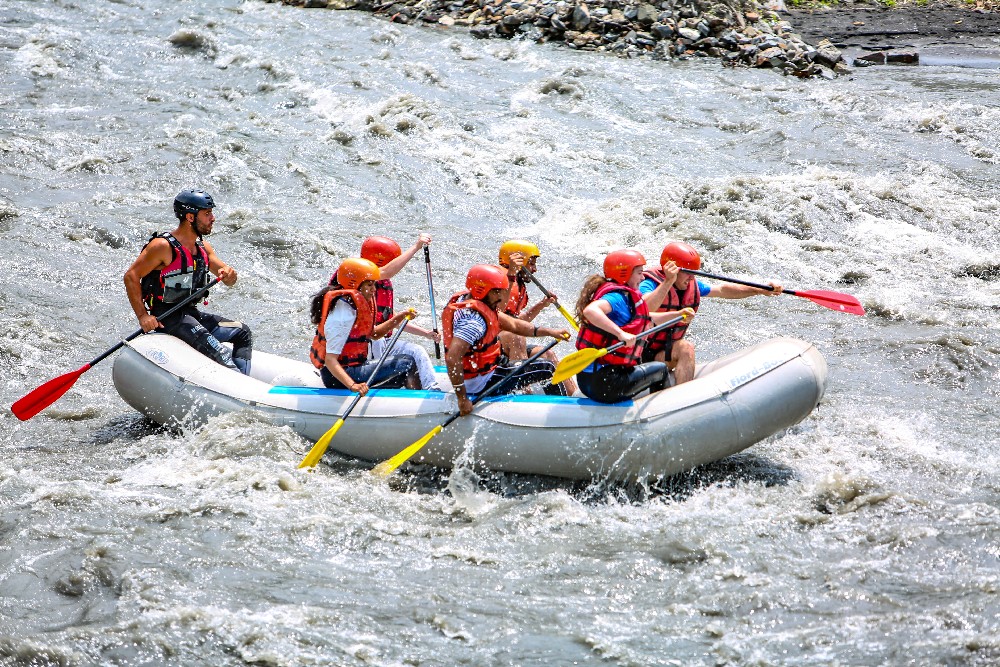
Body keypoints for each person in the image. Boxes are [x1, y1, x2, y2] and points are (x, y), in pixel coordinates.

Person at [124, 189, 253, 374]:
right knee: (220, 353)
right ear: (190, 217)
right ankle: (241, 388)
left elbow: (227, 278)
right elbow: (131, 276)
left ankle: (244, 383)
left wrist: (230, 275)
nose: (213, 218)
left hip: (190, 314)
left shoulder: (203, 248)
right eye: (207, 214)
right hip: (167, 318)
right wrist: (143, 316)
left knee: (243, 332)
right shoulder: (162, 246)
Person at [638, 241, 782, 385]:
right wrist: (668, 282)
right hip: (639, 355)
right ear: (672, 269)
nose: (691, 278)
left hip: (662, 353)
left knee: (685, 348)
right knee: (685, 348)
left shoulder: (689, 285)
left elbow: (721, 290)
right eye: (688, 273)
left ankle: (682, 394)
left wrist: (758, 290)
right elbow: (643, 308)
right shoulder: (648, 284)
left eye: (693, 273)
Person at [443, 264, 570, 416]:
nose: (502, 297)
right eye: (497, 291)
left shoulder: (475, 301)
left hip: (485, 372)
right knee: (547, 368)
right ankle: (563, 413)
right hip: (481, 383)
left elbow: (514, 324)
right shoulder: (473, 322)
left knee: (538, 359)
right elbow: (452, 358)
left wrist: (550, 332)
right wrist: (462, 398)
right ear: (481, 290)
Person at [573, 250, 694, 404]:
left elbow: (648, 319)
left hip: (592, 380)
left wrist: (678, 315)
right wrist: (620, 334)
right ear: (624, 274)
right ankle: (664, 411)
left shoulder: (626, 298)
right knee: (660, 370)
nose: (643, 277)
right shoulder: (616, 297)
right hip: (605, 382)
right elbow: (591, 311)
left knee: (647, 369)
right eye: (639, 273)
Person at [310, 258, 421, 395]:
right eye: (369, 285)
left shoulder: (352, 305)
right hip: (338, 377)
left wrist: (399, 317)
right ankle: (419, 401)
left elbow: (374, 334)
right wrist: (353, 386)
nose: (374, 290)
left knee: (400, 370)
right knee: (406, 362)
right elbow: (330, 360)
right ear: (355, 284)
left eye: (374, 285)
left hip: (352, 369)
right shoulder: (342, 315)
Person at [359, 234, 441, 391]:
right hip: (366, 344)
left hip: (383, 342)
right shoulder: (361, 279)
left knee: (417, 351)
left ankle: (432, 390)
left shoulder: (382, 284)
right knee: (378, 343)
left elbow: (391, 317)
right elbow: (386, 272)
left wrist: (426, 333)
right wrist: (416, 247)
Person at [496, 239, 576, 396]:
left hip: (505, 343)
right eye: (531, 264)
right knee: (516, 336)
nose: (534, 269)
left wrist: (542, 304)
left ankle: (572, 397)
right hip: (491, 345)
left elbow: (517, 322)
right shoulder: (501, 281)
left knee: (548, 355)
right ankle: (523, 392)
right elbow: (501, 321)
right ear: (519, 262)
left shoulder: (518, 286)